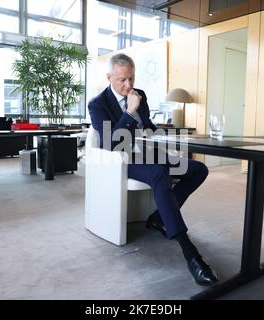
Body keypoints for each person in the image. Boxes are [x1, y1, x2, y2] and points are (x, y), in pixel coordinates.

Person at [87, 53, 219, 286]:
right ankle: (191, 254)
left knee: (198, 169)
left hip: (149, 152)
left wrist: (165, 136)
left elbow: (148, 126)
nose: (128, 86)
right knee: (159, 173)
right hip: (122, 160)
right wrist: (129, 112)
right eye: (122, 80)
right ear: (109, 77)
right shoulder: (98, 104)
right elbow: (110, 144)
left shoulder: (141, 95)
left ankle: (159, 218)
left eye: (132, 78)